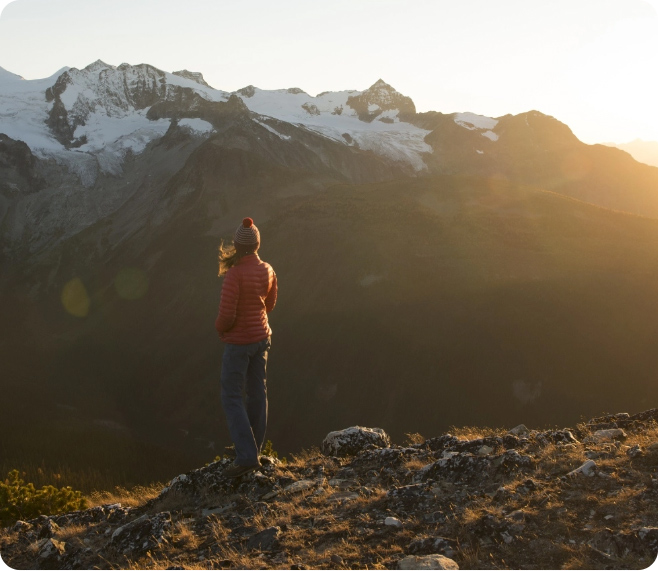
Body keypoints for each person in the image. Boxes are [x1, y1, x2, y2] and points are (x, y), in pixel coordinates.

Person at [215, 217, 277, 478]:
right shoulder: (268, 269)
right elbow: (270, 304)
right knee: (257, 393)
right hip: (261, 338)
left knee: (231, 396)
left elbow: (226, 316)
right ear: (257, 244)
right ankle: (251, 448)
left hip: (239, 343)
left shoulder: (234, 275)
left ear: (237, 247)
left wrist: (220, 329)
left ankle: (246, 456)